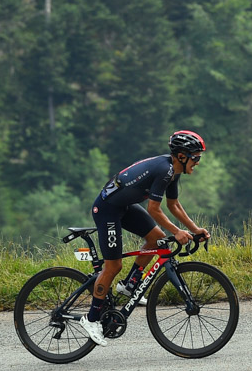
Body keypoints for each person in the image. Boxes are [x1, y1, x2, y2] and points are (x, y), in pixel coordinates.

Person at [78, 130, 210, 346]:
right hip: (107, 209)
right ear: (182, 156)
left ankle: (130, 285)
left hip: (124, 206)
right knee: (113, 266)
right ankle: (91, 319)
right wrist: (177, 232)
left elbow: (173, 205)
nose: (198, 162)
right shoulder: (165, 170)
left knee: (157, 239)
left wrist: (195, 230)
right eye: (195, 157)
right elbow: (154, 210)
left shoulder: (173, 171)